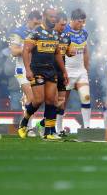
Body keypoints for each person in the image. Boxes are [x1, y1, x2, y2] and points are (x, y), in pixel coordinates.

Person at [17, 11, 68, 140]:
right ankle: (24, 122)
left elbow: (57, 54)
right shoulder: (36, 32)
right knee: (39, 100)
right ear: (44, 17)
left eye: (55, 17)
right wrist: (28, 70)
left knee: (52, 100)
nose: (53, 19)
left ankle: (48, 133)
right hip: (37, 70)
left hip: (51, 70)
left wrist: (64, 71)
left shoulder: (55, 34)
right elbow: (26, 50)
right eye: (51, 17)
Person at [8, 10, 42, 136]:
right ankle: (28, 127)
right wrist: (29, 48)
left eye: (39, 23)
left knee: (37, 99)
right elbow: (13, 51)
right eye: (35, 23)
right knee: (32, 98)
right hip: (22, 69)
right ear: (29, 20)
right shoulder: (18, 33)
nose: (37, 25)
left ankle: (30, 125)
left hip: (36, 69)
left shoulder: (40, 33)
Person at [61, 9, 90, 132]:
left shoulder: (84, 33)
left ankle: (87, 128)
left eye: (84, 22)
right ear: (72, 20)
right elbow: (58, 52)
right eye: (80, 21)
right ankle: (57, 129)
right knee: (62, 102)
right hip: (67, 70)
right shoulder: (63, 31)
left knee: (86, 97)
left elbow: (85, 51)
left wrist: (86, 68)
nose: (82, 24)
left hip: (80, 71)